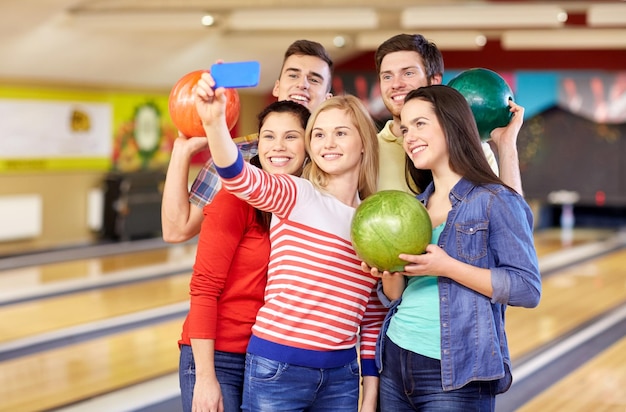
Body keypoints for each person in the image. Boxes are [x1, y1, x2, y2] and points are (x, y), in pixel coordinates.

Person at [194, 70, 385, 411]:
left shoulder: (372, 222)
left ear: (364, 143)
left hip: (342, 376)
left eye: (341, 133)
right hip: (277, 369)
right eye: (320, 134)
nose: (328, 143)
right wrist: (214, 123)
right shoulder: (298, 194)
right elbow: (240, 178)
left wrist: (369, 395)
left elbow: (371, 317)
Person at [370, 85, 542, 411]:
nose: (409, 137)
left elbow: (527, 288)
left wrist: (447, 267)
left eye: (420, 124)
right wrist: (386, 269)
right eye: (405, 128)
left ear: (451, 125)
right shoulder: (414, 208)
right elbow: (397, 296)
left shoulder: (493, 199)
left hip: (456, 370)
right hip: (395, 358)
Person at [178, 100, 311, 412]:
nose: (278, 147)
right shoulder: (234, 200)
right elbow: (204, 288)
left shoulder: (308, 205)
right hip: (219, 357)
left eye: (291, 136)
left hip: (268, 357)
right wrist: (206, 377)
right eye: (269, 136)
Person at [161, 39, 333, 243]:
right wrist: (181, 151)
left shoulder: (334, 161)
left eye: (314, 80)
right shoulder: (232, 156)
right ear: (277, 88)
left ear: (327, 99)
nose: (302, 84)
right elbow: (176, 230)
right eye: (293, 75)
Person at [374, 33, 525, 195]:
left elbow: (512, 215)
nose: (396, 84)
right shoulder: (369, 150)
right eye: (387, 76)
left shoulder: (472, 147)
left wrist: (506, 144)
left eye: (408, 73)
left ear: (434, 80)